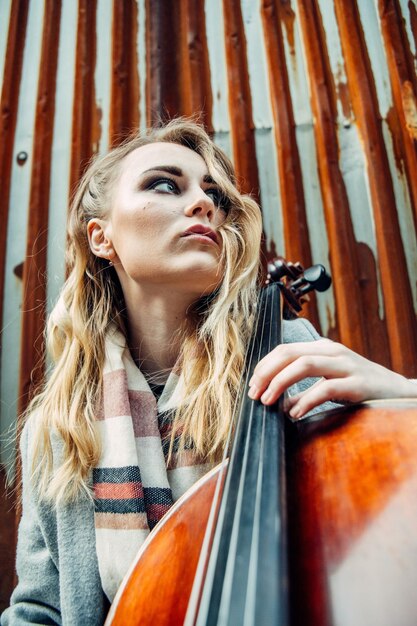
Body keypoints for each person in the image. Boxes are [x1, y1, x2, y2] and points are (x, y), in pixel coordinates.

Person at [2, 119, 417, 625]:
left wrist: (404, 400)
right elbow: (37, 611)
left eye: (213, 195)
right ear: (101, 237)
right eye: (164, 184)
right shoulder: (56, 427)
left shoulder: (285, 354)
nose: (204, 204)